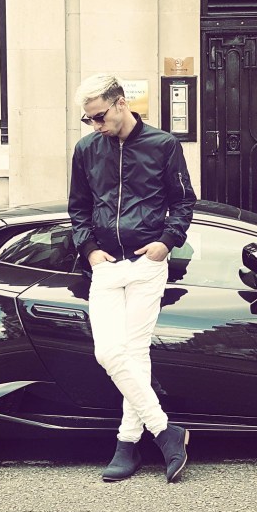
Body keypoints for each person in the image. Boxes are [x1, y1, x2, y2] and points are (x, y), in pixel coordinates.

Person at [68, 73, 196, 483]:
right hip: (106, 267)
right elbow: (78, 208)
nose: (95, 126)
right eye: (88, 120)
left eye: (99, 117)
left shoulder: (163, 145)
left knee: (135, 353)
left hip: (147, 264)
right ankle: (165, 432)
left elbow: (183, 202)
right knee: (109, 352)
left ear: (121, 102)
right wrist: (89, 251)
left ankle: (126, 445)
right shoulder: (86, 149)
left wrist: (167, 242)